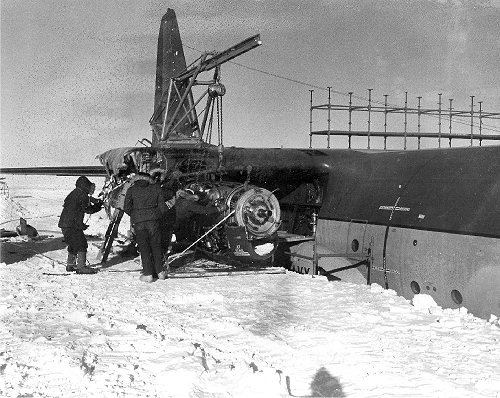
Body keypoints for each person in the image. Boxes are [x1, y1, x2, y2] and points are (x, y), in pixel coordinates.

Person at [123, 172, 167, 282]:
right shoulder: (156, 188)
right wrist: (157, 215)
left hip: (139, 223)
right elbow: (163, 207)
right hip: (153, 221)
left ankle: (148, 274)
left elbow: (126, 207)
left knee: (144, 248)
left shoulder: (131, 190)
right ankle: (160, 272)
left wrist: (135, 215)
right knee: (156, 246)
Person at [58, 176, 103, 274]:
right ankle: (81, 267)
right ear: (85, 186)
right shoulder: (83, 195)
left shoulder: (74, 193)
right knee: (82, 244)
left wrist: (80, 224)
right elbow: (88, 209)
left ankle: (71, 265)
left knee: (73, 244)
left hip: (65, 224)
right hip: (72, 225)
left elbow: (75, 209)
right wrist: (98, 206)